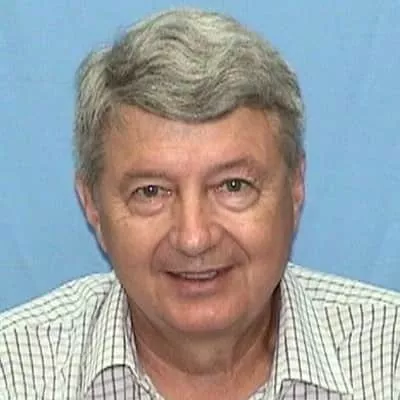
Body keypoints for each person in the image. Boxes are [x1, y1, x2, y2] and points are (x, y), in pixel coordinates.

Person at [0, 7, 399, 400]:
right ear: (92, 205)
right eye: (151, 192)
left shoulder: (389, 358)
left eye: (233, 186)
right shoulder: (12, 373)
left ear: (296, 188)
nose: (194, 238)